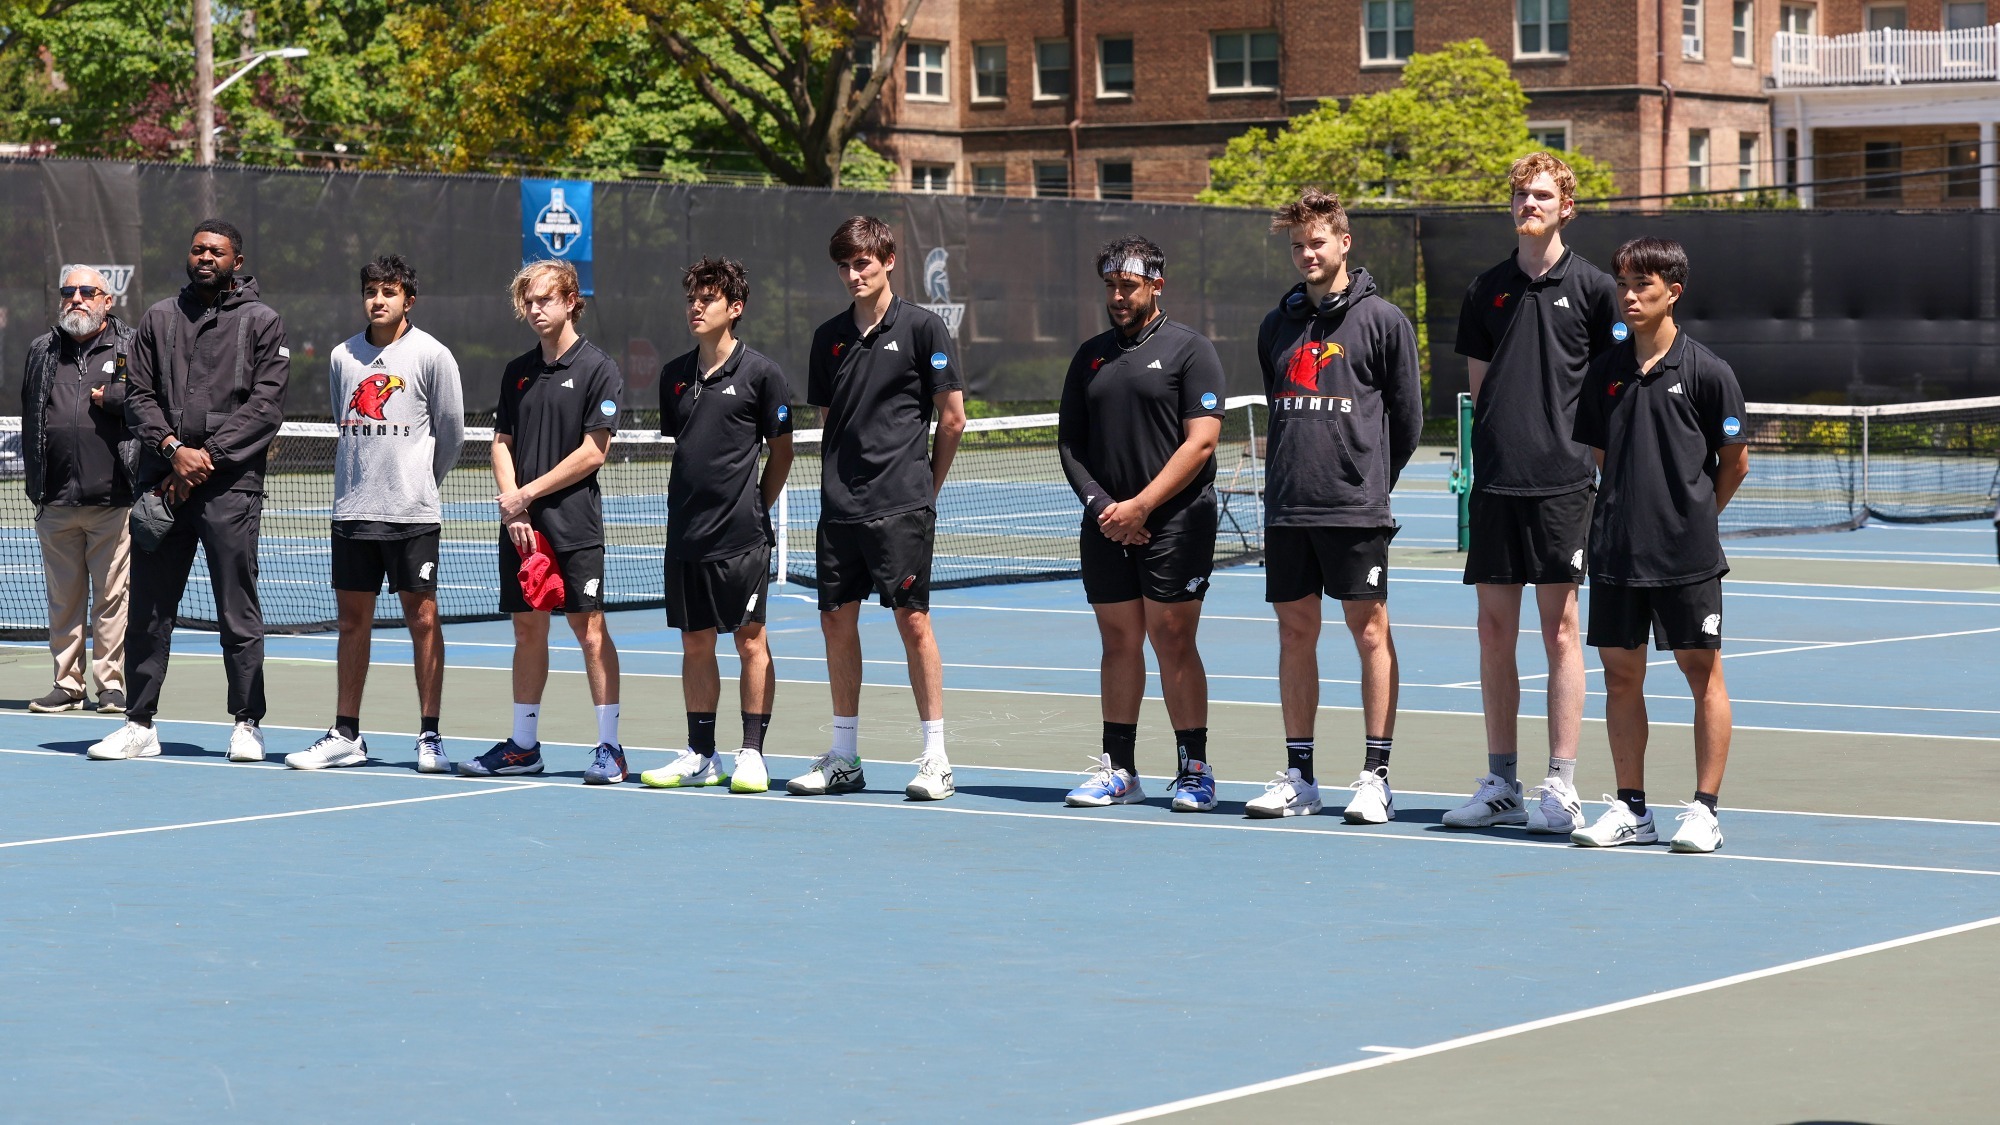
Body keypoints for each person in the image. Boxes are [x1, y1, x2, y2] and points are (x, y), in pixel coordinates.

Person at [1447, 152, 1619, 833]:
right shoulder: (1484, 290)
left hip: (1564, 484)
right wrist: (1488, 460)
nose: (1530, 204)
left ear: (1566, 207)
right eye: (1521, 194)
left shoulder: (1598, 289)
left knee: (1561, 632)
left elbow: (1608, 393)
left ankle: (1562, 783)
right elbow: (1481, 390)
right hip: (1496, 484)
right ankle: (1501, 783)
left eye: (1543, 195)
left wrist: (1596, 468)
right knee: (1494, 632)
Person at [1245, 191, 1423, 822]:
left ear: (1344, 242)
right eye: (1297, 245)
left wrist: (1367, 480)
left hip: (1354, 511)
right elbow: (1278, 404)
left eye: (1316, 242)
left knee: (1369, 633)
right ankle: (1300, 776)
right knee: (1295, 635)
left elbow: (1407, 421)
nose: (1306, 254)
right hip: (1289, 510)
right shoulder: (1276, 326)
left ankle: (1375, 777)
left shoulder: (1384, 321)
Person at [1570, 237, 1749, 854]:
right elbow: (1600, 455)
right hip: (1616, 552)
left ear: (1673, 292)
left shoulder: (1708, 372)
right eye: (1623, 284)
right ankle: (1630, 808)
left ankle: (1705, 811)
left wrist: (1693, 517)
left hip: (1686, 557)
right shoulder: (1605, 371)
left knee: (1703, 674)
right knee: (1621, 678)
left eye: (1643, 285)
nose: (1629, 296)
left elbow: (1735, 463)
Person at [88, 220, 289, 763]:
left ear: (236, 261)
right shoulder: (157, 318)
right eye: (198, 249)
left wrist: (208, 459)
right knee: (149, 609)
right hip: (164, 484)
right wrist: (174, 449)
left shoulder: (263, 322)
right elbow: (137, 396)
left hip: (232, 490)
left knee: (236, 610)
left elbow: (266, 407)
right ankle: (140, 723)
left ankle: (247, 722)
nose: (205, 257)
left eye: (216, 251)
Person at [790, 216, 966, 801]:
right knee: (836, 622)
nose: (853, 274)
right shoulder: (828, 337)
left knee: (912, 621)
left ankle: (936, 758)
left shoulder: (924, 328)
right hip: (839, 509)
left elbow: (953, 418)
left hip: (902, 506)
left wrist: (925, 489)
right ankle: (844, 756)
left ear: (888, 259)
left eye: (862, 262)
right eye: (844, 265)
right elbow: (829, 421)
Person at [1056, 236, 1226, 812]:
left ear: (1156, 284)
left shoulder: (1191, 350)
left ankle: (1194, 769)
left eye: (1128, 285)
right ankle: (1119, 770)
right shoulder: (1090, 356)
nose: (1118, 296)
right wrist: (1107, 508)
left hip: (1177, 523)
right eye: (1110, 285)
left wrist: (1142, 507)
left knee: (1173, 640)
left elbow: (1200, 444)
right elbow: (1070, 444)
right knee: (1117, 642)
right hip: (1106, 524)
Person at [285, 255, 465, 773]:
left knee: (423, 621)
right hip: (353, 513)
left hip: (412, 515)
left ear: (409, 298)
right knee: (351, 623)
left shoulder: (433, 355)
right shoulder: (343, 355)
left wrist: (422, 484)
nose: (378, 299)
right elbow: (348, 424)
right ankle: (346, 734)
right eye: (370, 291)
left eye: (389, 291)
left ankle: (430, 736)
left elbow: (450, 433)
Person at [457, 260, 626, 784]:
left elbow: (593, 452)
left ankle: (610, 748)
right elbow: (501, 443)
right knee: (526, 631)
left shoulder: (600, 368)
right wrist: (515, 507)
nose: (535, 309)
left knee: (589, 629)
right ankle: (524, 746)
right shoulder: (517, 371)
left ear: (572, 300)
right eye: (528, 301)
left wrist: (525, 494)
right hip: (522, 529)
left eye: (545, 299)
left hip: (574, 526)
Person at [640, 258, 794, 794]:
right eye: (691, 300)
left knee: (751, 643)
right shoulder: (674, 376)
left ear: (735, 308)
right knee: (694, 645)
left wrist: (755, 506)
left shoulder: (762, 374)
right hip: (684, 536)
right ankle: (701, 754)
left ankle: (751, 752)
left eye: (708, 299)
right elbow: (686, 450)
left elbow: (782, 451)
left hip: (742, 539)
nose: (696, 308)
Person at [21, 267, 134, 716]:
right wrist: (37, 484)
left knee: (112, 603)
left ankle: (110, 686)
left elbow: (150, 402)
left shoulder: (131, 346)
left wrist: (117, 398)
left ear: (108, 301)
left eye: (88, 291)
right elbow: (32, 414)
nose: (77, 298)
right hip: (55, 500)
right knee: (63, 600)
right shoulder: (41, 350)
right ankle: (67, 685)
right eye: (69, 291)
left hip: (112, 499)